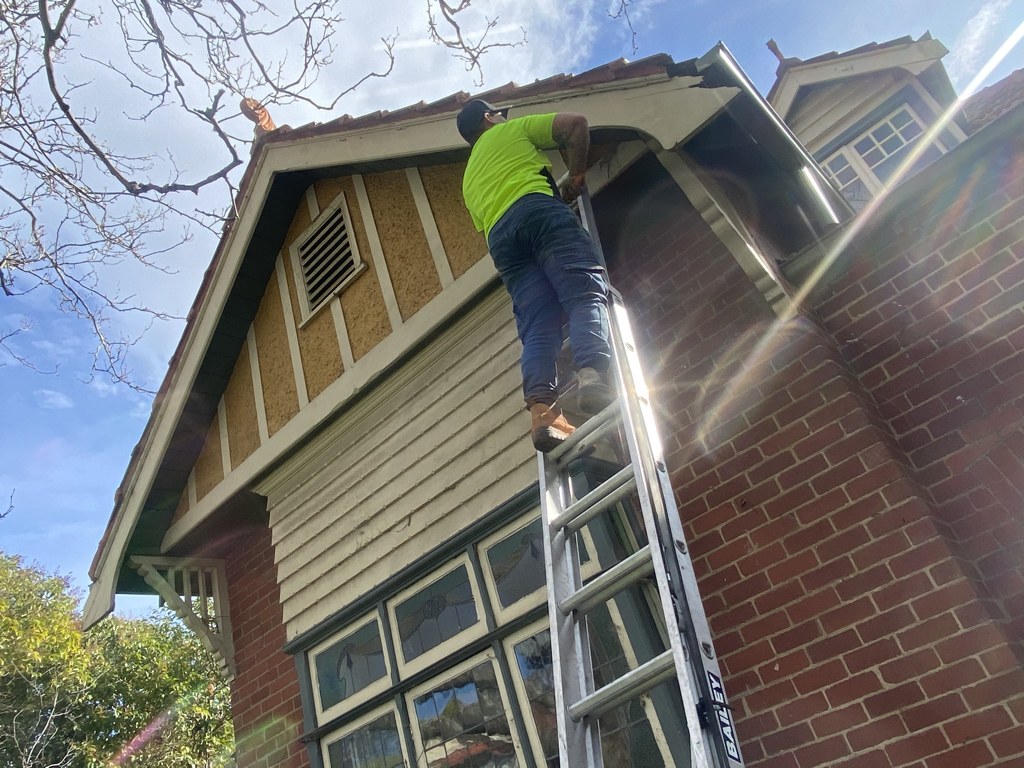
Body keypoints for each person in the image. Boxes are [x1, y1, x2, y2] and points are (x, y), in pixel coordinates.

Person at [458, 99, 613, 452]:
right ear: (488, 117)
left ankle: (544, 413)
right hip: (536, 210)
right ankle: (592, 375)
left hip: (501, 240)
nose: (501, 117)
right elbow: (575, 123)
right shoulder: (511, 130)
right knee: (583, 293)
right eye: (498, 113)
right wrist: (575, 175)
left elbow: (488, 223)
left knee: (538, 326)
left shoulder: (468, 179)